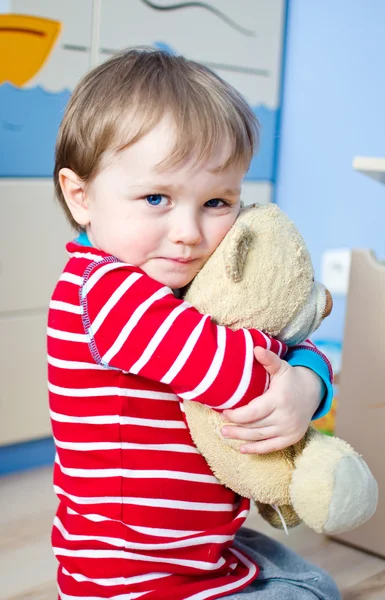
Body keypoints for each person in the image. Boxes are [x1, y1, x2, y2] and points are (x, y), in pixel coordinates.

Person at [48, 48, 341, 600]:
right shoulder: (105, 291)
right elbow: (239, 372)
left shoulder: (177, 286)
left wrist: (308, 379)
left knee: (309, 579)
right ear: (80, 195)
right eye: (156, 197)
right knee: (313, 594)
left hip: (196, 545)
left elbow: (288, 340)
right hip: (135, 574)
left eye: (216, 201)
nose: (189, 232)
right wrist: (301, 377)